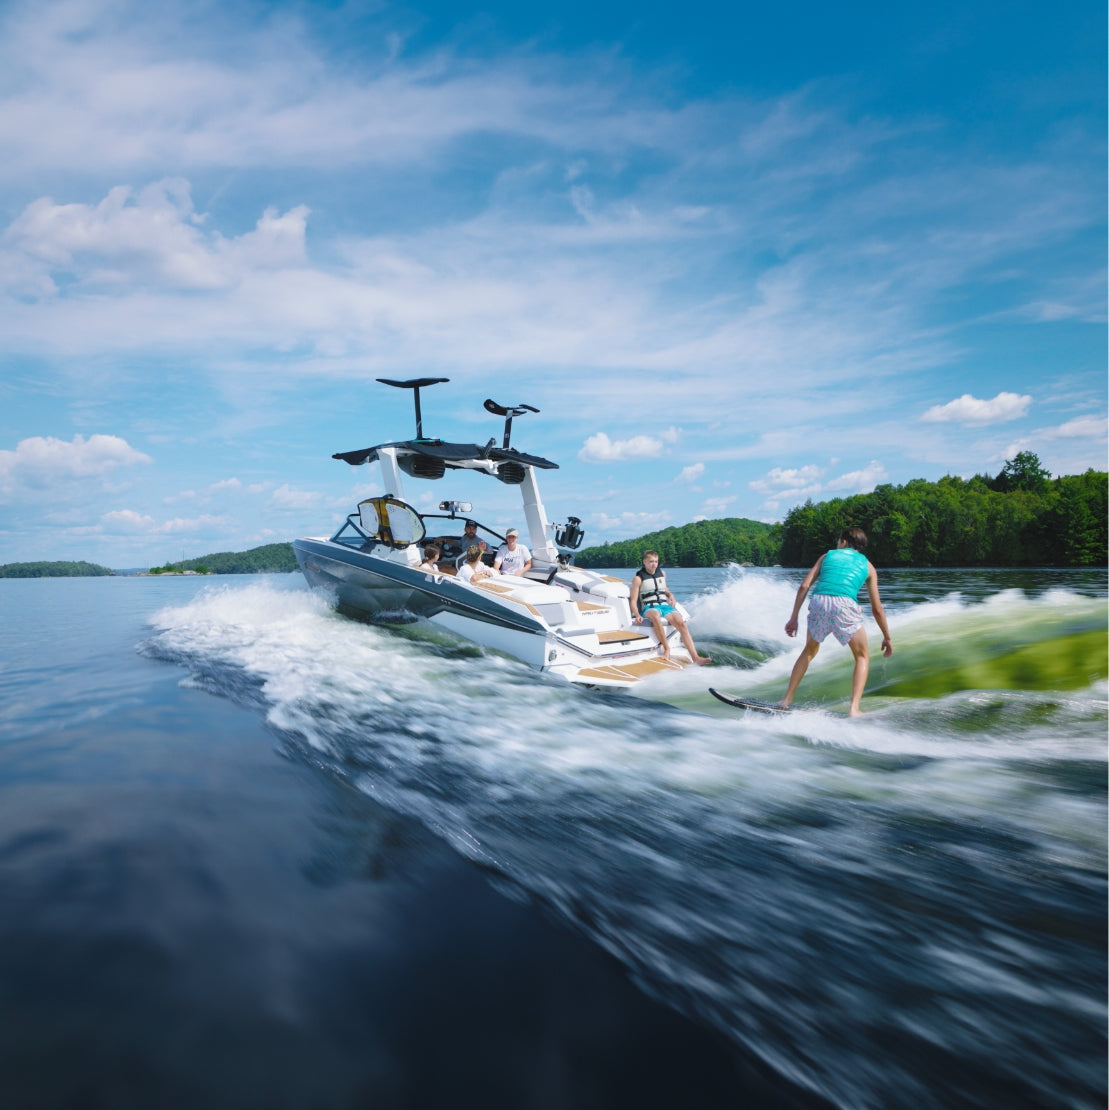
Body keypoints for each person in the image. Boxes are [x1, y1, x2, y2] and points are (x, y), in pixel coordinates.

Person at [781, 526, 892, 717]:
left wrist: (794, 618)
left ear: (844, 542)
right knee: (862, 656)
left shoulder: (826, 557)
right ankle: (854, 708)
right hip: (845, 605)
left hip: (820, 601)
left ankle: (786, 700)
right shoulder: (868, 566)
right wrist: (887, 637)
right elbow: (877, 609)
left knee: (809, 650)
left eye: (838, 541)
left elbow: (804, 586)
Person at [629, 550, 711, 665]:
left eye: (656, 561)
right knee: (656, 616)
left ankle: (695, 657)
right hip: (649, 608)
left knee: (681, 623)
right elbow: (633, 601)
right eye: (651, 561)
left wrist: (670, 595)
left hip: (664, 606)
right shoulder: (638, 579)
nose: (654, 564)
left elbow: (664, 589)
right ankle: (666, 649)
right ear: (644, 562)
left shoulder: (662, 573)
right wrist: (637, 615)